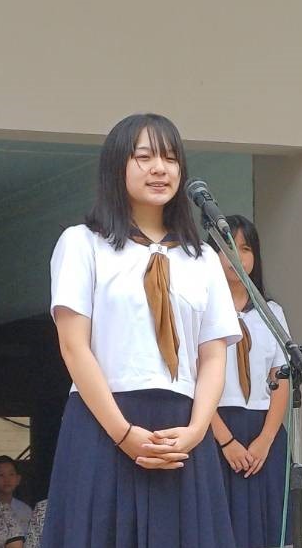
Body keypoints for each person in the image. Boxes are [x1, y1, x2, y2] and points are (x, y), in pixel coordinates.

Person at [43, 112, 241, 548]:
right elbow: (74, 347)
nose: (160, 169)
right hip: (104, 421)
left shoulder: (204, 258)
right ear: (118, 166)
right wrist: (123, 433)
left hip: (182, 432)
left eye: (170, 158)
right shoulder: (82, 243)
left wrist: (196, 430)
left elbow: (213, 355)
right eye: (145, 157)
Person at [208, 215, 293, 548]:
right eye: (227, 248)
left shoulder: (272, 312)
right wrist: (226, 441)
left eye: (245, 248)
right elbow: (193, 382)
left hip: (263, 432)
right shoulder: (201, 308)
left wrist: (266, 439)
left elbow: (280, 378)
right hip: (214, 429)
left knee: (268, 528)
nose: (237, 256)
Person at [0, 457, 32, 535]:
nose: (7, 479)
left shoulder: (25, 510)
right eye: (1, 475)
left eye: (11, 474)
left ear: (18, 479)